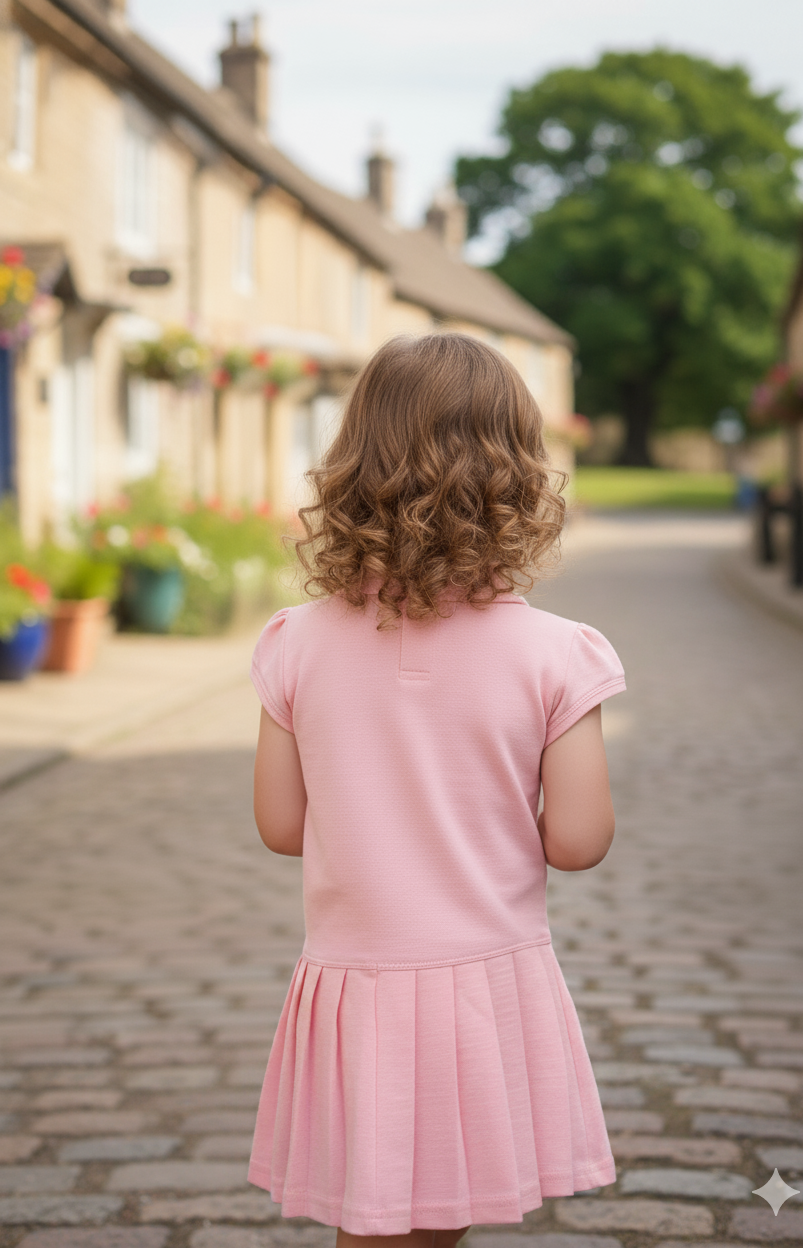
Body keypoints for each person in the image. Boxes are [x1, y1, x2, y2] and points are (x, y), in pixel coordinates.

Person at [247, 332, 626, 1248]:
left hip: (359, 984)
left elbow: (282, 825)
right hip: (481, 984)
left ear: (353, 470)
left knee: (392, 1218)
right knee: (419, 1226)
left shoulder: (294, 642)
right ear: (519, 478)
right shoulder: (558, 655)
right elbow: (578, 841)